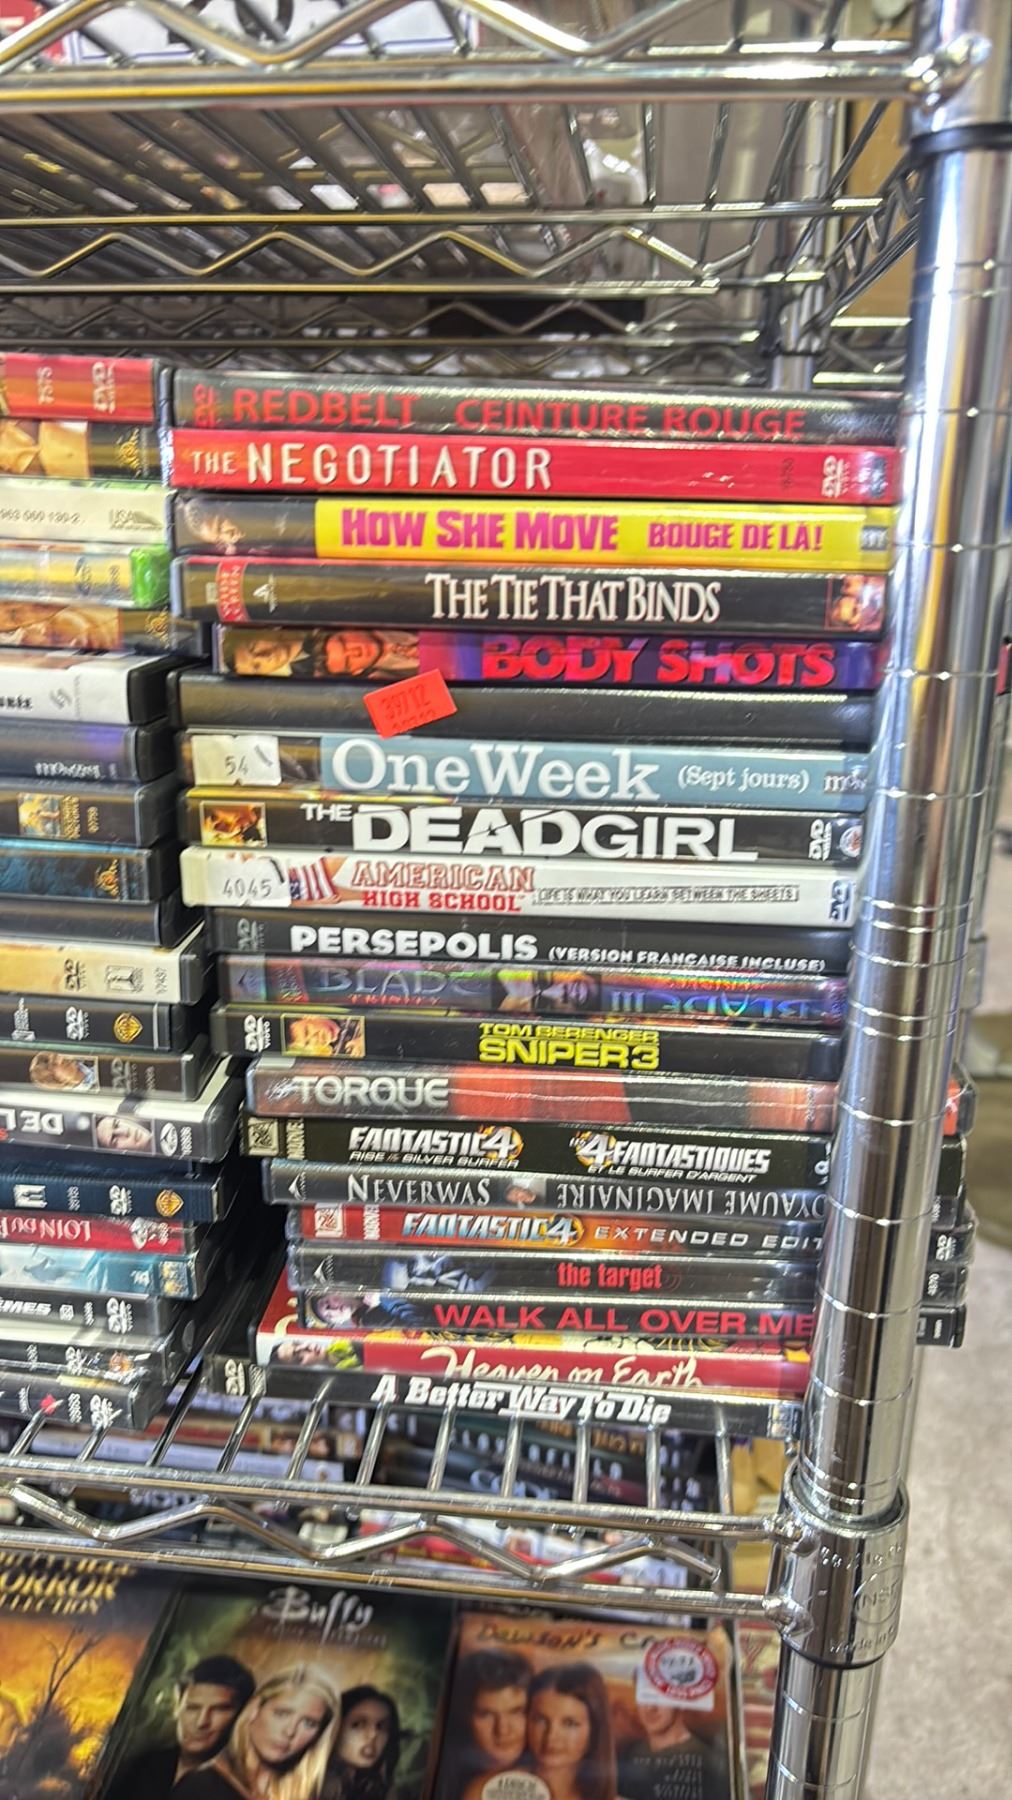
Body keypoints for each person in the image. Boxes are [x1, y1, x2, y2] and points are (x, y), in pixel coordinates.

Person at [174, 1664, 340, 1800]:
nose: (290, 1731)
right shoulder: (200, 1786)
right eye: (281, 1714)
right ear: (254, 1709)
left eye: (308, 1723)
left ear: (319, 1735)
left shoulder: (311, 1794)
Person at [108, 1656, 256, 1800]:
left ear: (242, 1716)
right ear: (177, 1708)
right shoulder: (142, 1766)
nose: (201, 1722)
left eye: (219, 1709)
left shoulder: (241, 1789)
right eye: (192, 1708)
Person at [439, 1650, 530, 1800]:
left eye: (516, 1712)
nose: (502, 1730)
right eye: (486, 1715)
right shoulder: (443, 1774)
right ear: (464, 1716)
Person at [515, 1664, 615, 1800]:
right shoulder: (497, 1791)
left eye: (569, 1723)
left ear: (594, 1730)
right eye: (541, 1720)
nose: (551, 1736)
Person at [617, 1698, 727, 1800]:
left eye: (662, 1697)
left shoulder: (709, 1764)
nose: (650, 1708)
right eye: (645, 1696)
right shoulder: (626, 1754)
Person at [322, 1686, 400, 1800]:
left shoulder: (384, 1786)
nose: (373, 1734)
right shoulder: (312, 1784)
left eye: (381, 1727)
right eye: (358, 1724)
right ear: (335, 1728)